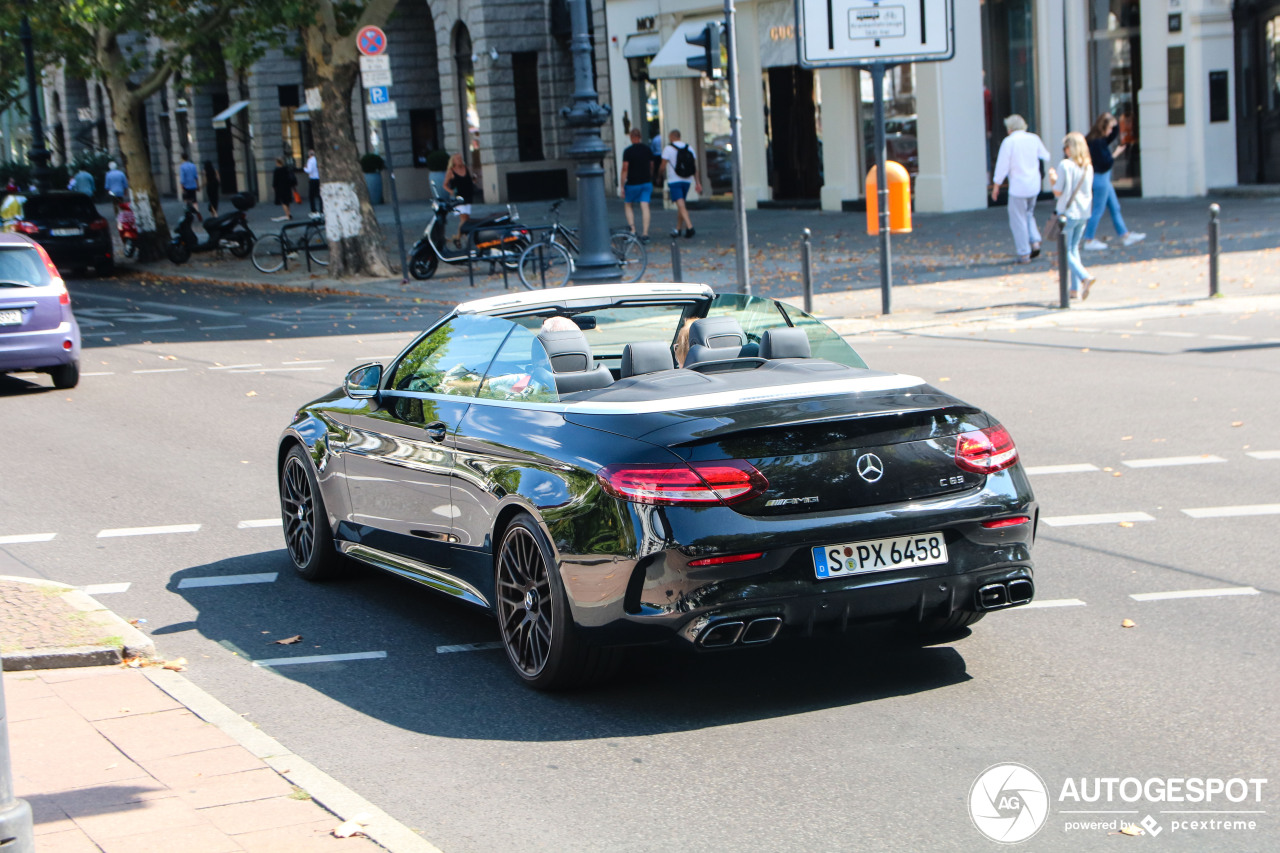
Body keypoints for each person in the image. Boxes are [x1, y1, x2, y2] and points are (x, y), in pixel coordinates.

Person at [991, 115, 1054, 264]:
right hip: (1033, 184)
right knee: (1028, 214)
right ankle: (1035, 241)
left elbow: (1002, 166)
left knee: (1017, 219)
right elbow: (1045, 155)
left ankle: (1024, 252)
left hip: (1018, 186)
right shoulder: (1033, 138)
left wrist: (996, 186)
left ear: (1010, 129)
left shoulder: (1009, 142)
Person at [1083, 112, 1145, 251]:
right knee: (1098, 210)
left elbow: (1113, 134)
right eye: (1110, 127)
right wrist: (1116, 153)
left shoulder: (1096, 139)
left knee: (1115, 207)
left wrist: (1114, 122)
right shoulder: (1098, 143)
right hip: (1101, 179)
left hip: (1101, 179)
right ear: (1103, 128)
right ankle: (1088, 239)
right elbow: (1106, 163)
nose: (1111, 131)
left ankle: (1125, 235)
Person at [1054, 132, 1095, 300]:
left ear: (1071, 148)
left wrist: (1052, 179)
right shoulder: (1088, 167)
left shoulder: (1065, 165)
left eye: (1066, 147)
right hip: (1084, 212)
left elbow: (1058, 191)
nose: (1064, 150)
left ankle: (1084, 276)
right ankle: (1074, 289)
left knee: (1065, 251)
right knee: (1073, 249)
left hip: (1068, 212)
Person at [662, 130, 702, 239]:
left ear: (671, 137)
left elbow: (662, 165)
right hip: (687, 180)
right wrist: (697, 182)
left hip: (674, 180)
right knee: (681, 205)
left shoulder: (668, 149)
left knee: (681, 205)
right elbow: (694, 167)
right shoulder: (689, 148)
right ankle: (678, 229)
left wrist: (658, 175)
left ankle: (690, 227)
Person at [619, 128, 654, 243]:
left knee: (628, 205)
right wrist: (650, 175)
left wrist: (622, 184)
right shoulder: (647, 149)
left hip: (632, 183)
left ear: (630, 137)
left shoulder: (628, 151)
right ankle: (645, 233)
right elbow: (651, 164)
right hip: (646, 181)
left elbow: (625, 168)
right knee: (645, 206)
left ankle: (632, 230)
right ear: (640, 137)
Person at [443, 152, 475, 246]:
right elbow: (445, 185)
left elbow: (469, 180)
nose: (460, 160)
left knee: (467, 218)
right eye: (458, 159)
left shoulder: (466, 168)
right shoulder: (451, 171)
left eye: (460, 158)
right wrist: (451, 191)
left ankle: (459, 237)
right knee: (463, 218)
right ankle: (460, 237)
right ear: (453, 161)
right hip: (458, 198)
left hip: (468, 195)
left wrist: (474, 180)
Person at [304, 148, 321, 214]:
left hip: (313, 179)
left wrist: (305, 168)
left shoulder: (310, 160)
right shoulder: (316, 160)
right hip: (318, 178)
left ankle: (313, 210)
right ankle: (321, 209)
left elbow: (309, 170)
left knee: (311, 196)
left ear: (309, 154)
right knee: (319, 195)